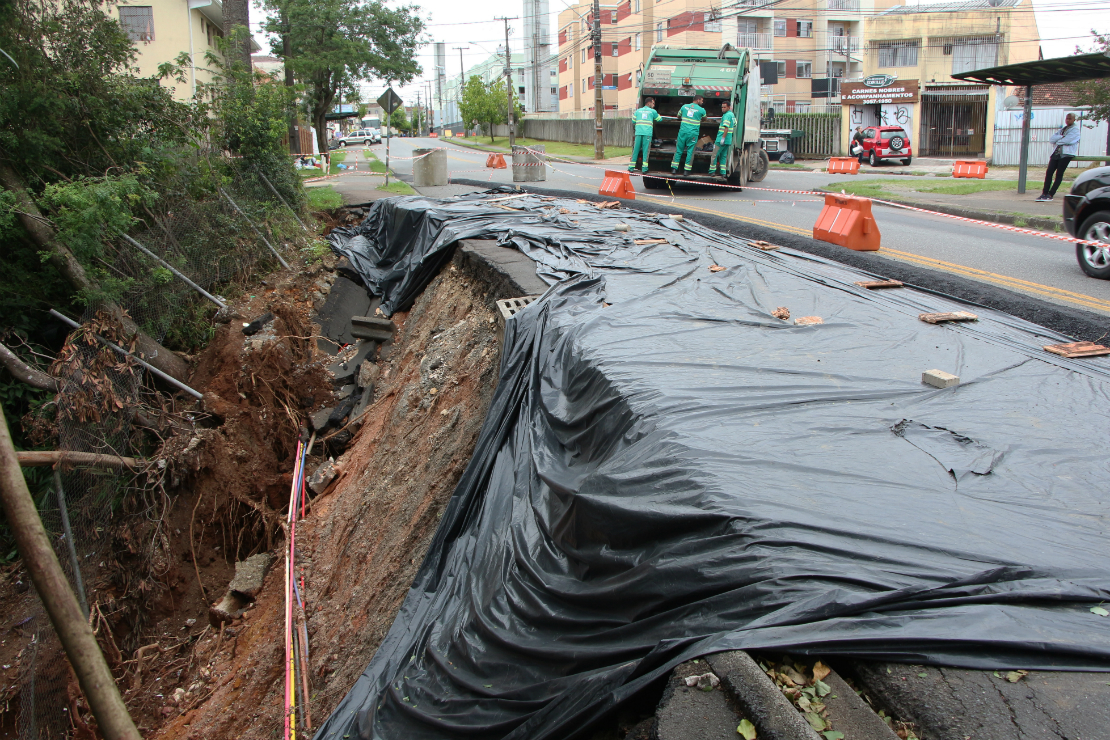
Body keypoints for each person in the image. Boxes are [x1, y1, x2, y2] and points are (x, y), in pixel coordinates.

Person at [1036, 113, 1081, 202]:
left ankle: (1051, 194)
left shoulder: (1075, 130)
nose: (1068, 120)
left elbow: (1069, 140)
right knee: (1049, 173)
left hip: (1066, 155)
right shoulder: (1063, 129)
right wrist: (1061, 137)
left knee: (1059, 174)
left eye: (1070, 119)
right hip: (1056, 154)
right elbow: (1052, 139)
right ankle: (1044, 193)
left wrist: (1059, 140)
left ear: (1074, 119)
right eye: (1067, 118)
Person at [671, 95, 706, 176]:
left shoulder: (684, 107)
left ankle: (674, 169)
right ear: (698, 100)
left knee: (678, 150)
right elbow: (705, 119)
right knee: (690, 151)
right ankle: (686, 171)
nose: (702, 102)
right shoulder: (701, 110)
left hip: (683, 132)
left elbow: (678, 116)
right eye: (702, 100)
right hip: (692, 134)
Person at [629, 98, 662, 174]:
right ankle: (644, 169)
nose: (653, 105)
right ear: (649, 103)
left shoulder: (638, 111)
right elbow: (659, 119)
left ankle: (631, 167)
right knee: (646, 151)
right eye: (653, 103)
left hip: (638, 133)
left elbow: (633, 121)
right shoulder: (652, 111)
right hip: (647, 133)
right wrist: (659, 115)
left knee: (635, 151)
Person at [709, 101, 736, 176]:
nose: (723, 109)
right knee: (723, 156)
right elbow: (735, 124)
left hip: (721, 140)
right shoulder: (732, 115)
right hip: (728, 140)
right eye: (722, 107)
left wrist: (722, 138)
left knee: (714, 155)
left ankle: (712, 171)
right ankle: (723, 172)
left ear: (728, 107)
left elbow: (726, 128)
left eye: (724, 107)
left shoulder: (726, 115)